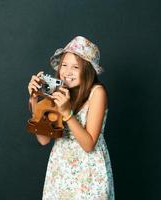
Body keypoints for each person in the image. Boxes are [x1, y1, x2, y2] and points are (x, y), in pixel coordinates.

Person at [27, 36, 115, 199]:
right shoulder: (57, 91)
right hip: (61, 171)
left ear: (87, 70)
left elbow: (89, 145)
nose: (67, 72)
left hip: (88, 171)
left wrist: (67, 113)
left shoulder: (97, 93)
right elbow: (44, 139)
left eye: (75, 67)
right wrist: (34, 101)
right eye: (64, 65)